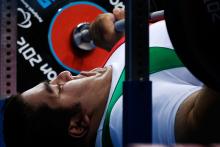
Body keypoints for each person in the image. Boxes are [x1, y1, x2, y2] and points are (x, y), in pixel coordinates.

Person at [2, 8, 220, 147]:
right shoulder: (124, 122)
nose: (63, 74)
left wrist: (121, 38)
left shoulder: (112, 83)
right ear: (78, 124)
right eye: (57, 89)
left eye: (52, 81)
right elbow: (198, 124)